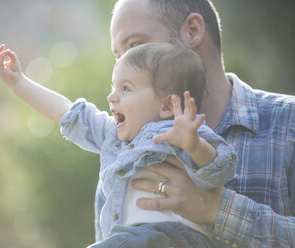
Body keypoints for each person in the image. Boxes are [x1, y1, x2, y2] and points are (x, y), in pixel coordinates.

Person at [0, 42, 236, 247]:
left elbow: (222, 167)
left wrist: (194, 145)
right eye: (113, 87)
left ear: (167, 105)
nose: (112, 97)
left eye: (126, 88)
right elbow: (69, 113)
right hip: (130, 239)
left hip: (174, 239)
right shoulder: (114, 135)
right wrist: (19, 82)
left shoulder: (181, 131)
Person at [98, 0, 295, 247]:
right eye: (118, 55)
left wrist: (218, 209)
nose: (124, 64)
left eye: (135, 45)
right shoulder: (122, 153)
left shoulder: (289, 122)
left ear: (192, 30)